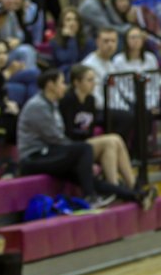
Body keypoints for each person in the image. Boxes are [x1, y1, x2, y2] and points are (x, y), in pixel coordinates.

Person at [60, 65, 157, 210]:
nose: (94, 83)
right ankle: (117, 189)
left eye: (94, 80)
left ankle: (132, 187)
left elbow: (90, 129)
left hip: (85, 145)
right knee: (111, 140)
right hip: (73, 146)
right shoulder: (68, 101)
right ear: (76, 82)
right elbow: (67, 132)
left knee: (115, 140)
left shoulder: (90, 100)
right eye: (89, 80)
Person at [17, 69, 115, 208]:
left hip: (48, 152)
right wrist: (78, 155)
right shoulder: (38, 105)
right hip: (33, 157)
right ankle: (90, 196)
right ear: (50, 85)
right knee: (86, 148)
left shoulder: (53, 104)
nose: (65, 86)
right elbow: (55, 138)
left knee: (99, 149)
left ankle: (128, 192)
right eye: (62, 82)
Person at [81, 28, 133, 142]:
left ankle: (138, 149)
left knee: (142, 111)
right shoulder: (90, 65)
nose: (110, 45)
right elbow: (94, 98)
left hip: (114, 105)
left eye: (113, 41)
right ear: (97, 42)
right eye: (106, 41)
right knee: (127, 116)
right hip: (97, 109)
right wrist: (117, 107)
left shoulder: (110, 63)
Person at [49, 7, 94, 80]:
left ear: (79, 23)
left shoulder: (88, 41)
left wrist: (72, 38)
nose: (72, 23)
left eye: (75, 20)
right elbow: (66, 60)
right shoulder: (55, 42)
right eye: (68, 20)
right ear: (62, 23)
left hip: (83, 76)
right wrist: (71, 39)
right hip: (62, 76)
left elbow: (76, 64)